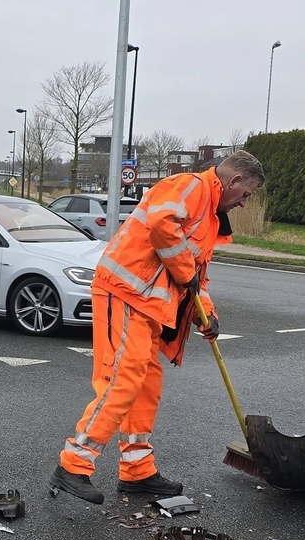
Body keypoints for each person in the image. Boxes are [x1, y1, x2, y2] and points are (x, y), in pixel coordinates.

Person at [49, 150, 267, 504]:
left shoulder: (209, 217)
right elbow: (163, 226)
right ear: (234, 180)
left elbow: (197, 277)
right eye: (245, 195)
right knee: (121, 380)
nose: (244, 203)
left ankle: (137, 471)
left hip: (150, 307)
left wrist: (206, 315)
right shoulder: (191, 186)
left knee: (145, 388)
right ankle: (74, 464)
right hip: (125, 293)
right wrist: (186, 275)